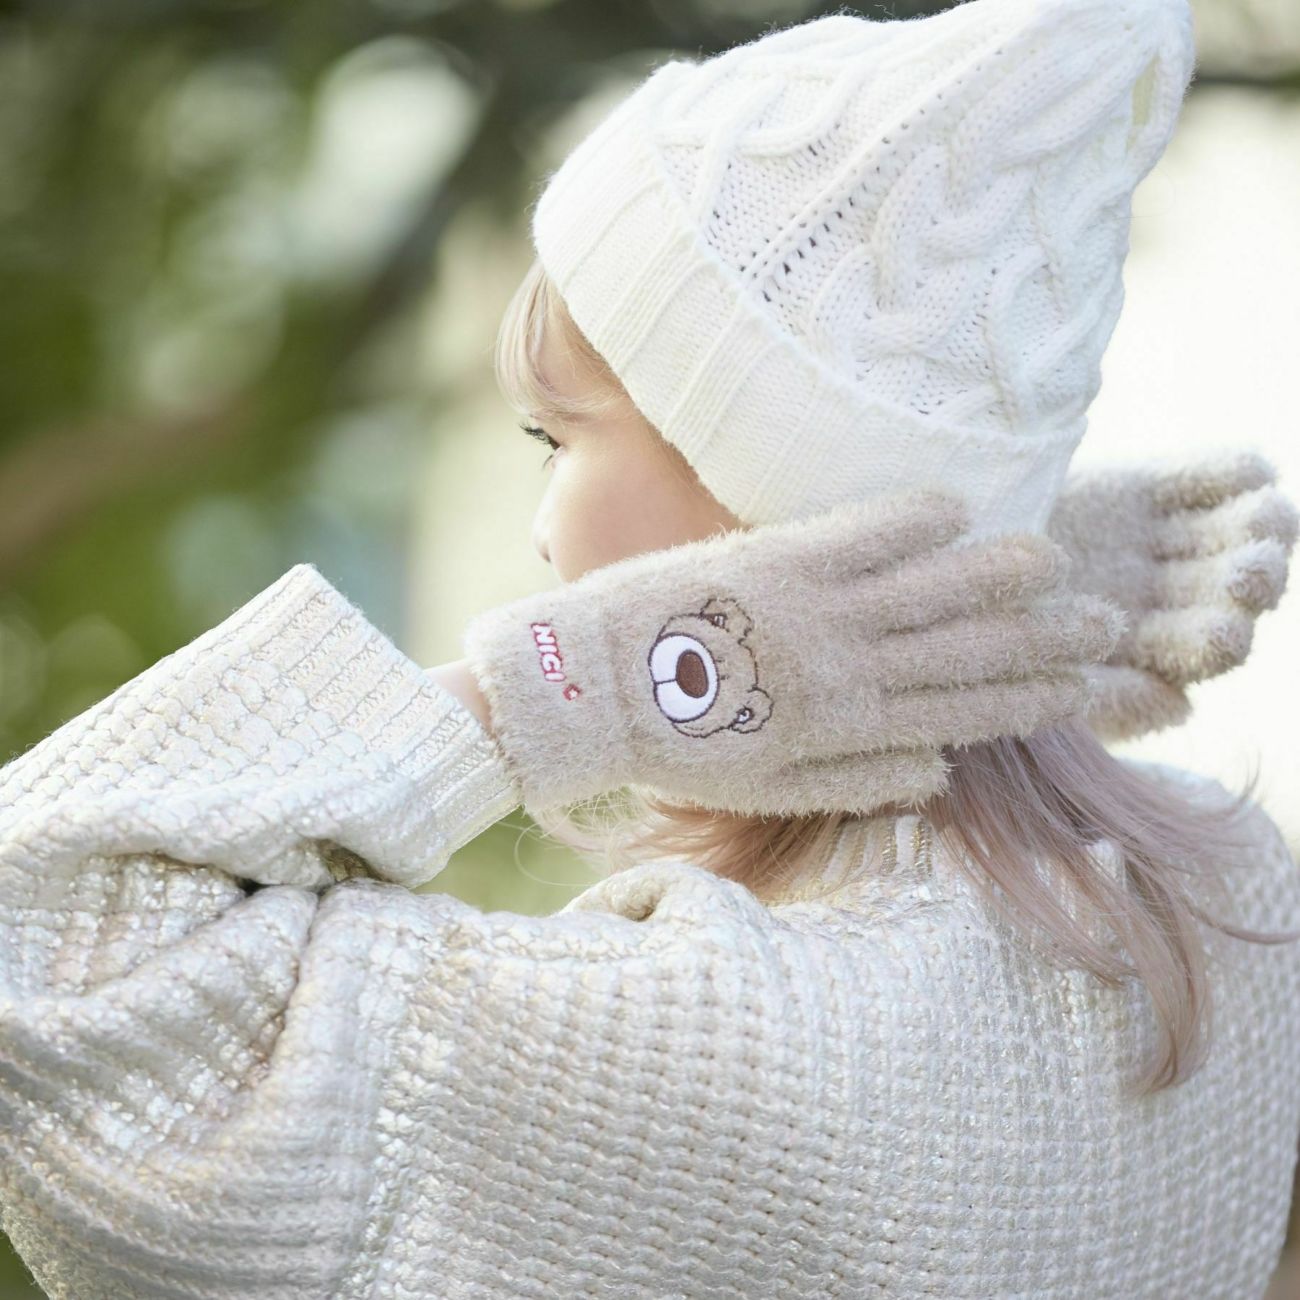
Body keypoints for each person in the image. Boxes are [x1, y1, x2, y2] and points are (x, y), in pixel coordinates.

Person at [1, 0, 1298, 1296]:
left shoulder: (701, 1039)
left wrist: (619, 679)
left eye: (555, 438)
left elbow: (36, 952)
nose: (544, 531)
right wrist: (1006, 581)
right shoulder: (1237, 901)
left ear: (753, 509)